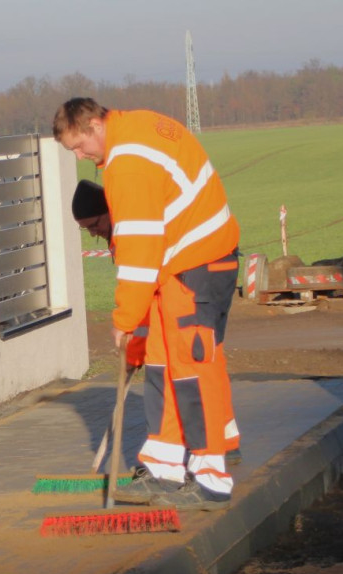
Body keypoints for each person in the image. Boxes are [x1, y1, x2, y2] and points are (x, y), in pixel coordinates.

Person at [56, 98, 241, 510]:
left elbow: (140, 251)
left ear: (92, 125)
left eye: (77, 146)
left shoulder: (129, 162)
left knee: (193, 367)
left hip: (196, 264)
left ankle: (212, 478)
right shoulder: (135, 129)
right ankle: (163, 468)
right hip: (178, 265)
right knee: (161, 363)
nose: (80, 156)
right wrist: (136, 336)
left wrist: (123, 320)